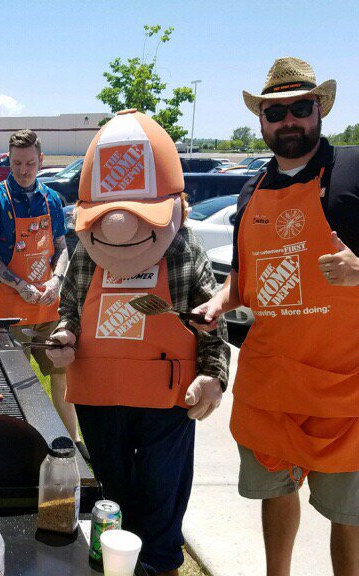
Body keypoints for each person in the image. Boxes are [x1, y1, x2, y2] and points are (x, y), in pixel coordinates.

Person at [192, 57, 359, 576]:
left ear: (319, 110)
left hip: (341, 383)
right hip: (271, 379)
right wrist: (218, 302)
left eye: (300, 108)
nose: (288, 120)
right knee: (275, 492)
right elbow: (245, 278)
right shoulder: (252, 189)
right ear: (261, 120)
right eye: (275, 112)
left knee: (347, 512)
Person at [46, 110, 228, 576]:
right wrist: (65, 336)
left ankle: (161, 565)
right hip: (99, 395)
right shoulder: (87, 251)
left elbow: (210, 319)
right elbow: (71, 308)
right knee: (113, 497)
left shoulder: (183, 249)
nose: (118, 230)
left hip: (166, 398)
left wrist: (213, 375)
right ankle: (116, 564)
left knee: (162, 496)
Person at [0, 129, 80, 445]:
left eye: (30, 163)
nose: (23, 170)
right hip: (11, 310)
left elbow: (61, 247)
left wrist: (57, 279)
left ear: (41, 160)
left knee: (61, 376)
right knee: (16, 383)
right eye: (17, 163)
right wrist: (20, 285)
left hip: (49, 307)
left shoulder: (51, 199)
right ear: (9, 160)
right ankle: (18, 445)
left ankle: (71, 443)